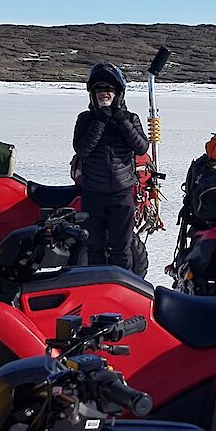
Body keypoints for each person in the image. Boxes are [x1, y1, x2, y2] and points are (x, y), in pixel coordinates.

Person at [72, 63, 150, 274]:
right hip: (93, 193)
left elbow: (141, 146)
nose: (104, 93)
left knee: (121, 248)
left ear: (118, 93)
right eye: (99, 89)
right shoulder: (86, 119)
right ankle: (97, 291)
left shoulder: (130, 118)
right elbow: (82, 149)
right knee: (94, 247)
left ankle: (123, 291)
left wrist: (119, 118)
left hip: (122, 191)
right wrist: (101, 119)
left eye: (109, 89)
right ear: (92, 93)